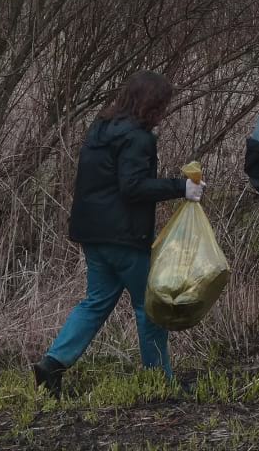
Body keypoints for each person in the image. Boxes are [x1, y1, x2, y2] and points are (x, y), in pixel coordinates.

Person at [33, 71, 205, 397]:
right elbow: (133, 187)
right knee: (150, 308)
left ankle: (52, 365)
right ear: (152, 104)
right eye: (163, 105)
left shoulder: (100, 130)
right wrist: (182, 187)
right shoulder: (138, 138)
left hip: (92, 235)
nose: (165, 111)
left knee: (95, 302)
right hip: (125, 237)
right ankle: (160, 382)